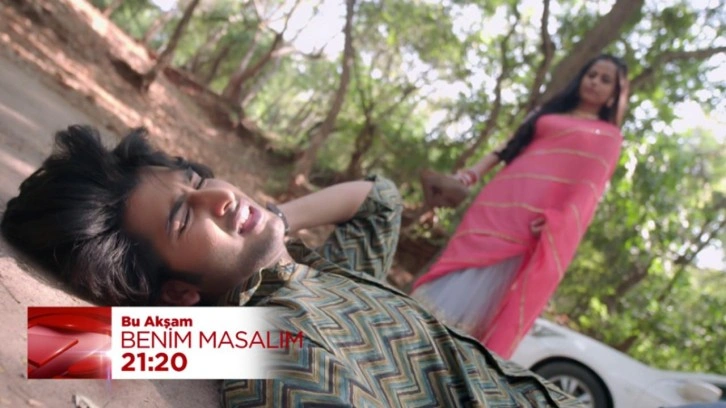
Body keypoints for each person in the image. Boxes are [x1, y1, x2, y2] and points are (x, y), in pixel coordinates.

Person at [1, 126, 585, 407]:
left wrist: (279, 218)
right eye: (182, 218)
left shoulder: (317, 272)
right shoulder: (272, 337)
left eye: (197, 181)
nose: (221, 196)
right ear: (178, 293)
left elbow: (378, 199)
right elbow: (62, 342)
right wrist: (205, 337)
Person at [414, 54, 630, 359]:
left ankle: (441, 358)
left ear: (614, 95)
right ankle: (409, 332)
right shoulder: (551, 111)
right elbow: (509, 146)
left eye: (605, 80)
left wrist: (559, 221)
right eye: (591, 74)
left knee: (487, 290)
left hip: (531, 221)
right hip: (498, 200)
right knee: (454, 270)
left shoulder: (608, 137)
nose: (595, 82)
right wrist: (471, 174)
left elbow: (588, 192)